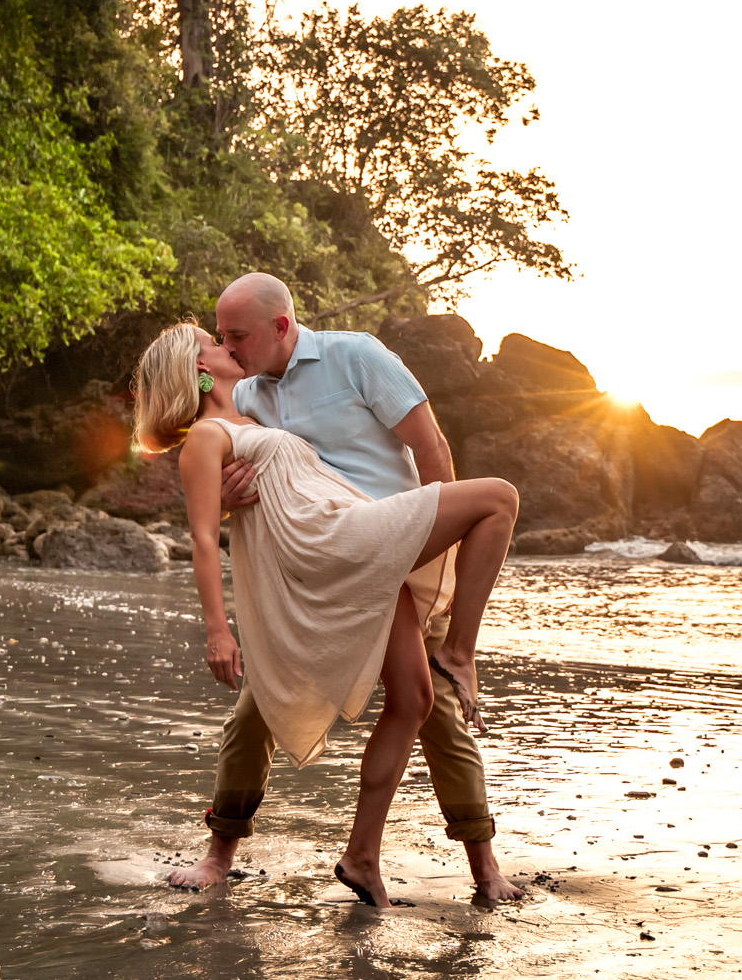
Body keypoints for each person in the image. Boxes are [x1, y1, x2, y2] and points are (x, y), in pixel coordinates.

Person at [131, 310, 518, 908]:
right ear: (199, 371)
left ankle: (459, 865)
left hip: (389, 547)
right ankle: (220, 853)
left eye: (232, 335)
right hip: (326, 559)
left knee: (426, 700)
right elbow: (210, 526)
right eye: (216, 340)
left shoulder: (342, 361)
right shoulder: (230, 420)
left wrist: (437, 554)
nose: (228, 344)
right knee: (254, 711)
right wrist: (220, 628)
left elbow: (430, 446)